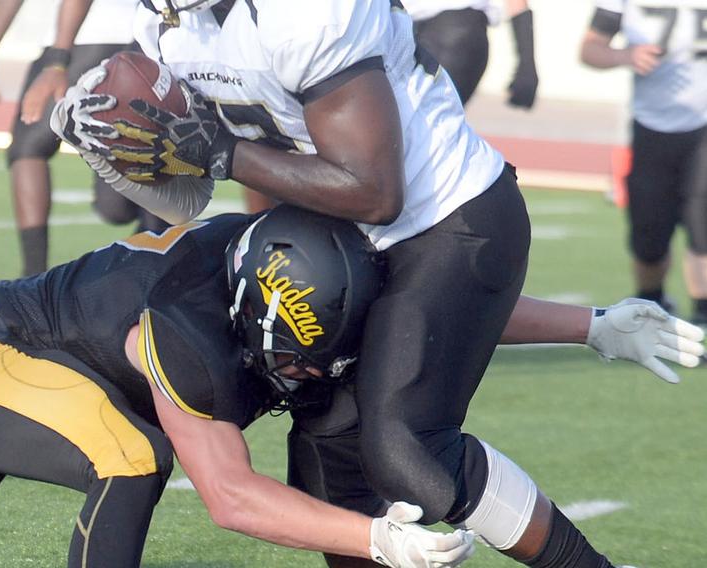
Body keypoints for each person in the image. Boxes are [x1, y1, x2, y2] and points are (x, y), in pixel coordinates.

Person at [49, 1, 704, 565]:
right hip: (334, 231)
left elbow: (375, 191)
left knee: (406, 450)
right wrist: (115, 136)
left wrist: (217, 153)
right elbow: (180, 188)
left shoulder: (304, 14)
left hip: (448, 216)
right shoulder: (166, 19)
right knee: (331, 480)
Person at [0, 205, 478, 568]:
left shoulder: (269, 269)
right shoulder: (188, 328)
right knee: (132, 457)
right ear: (255, 312)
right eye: (306, 354)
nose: (316, 371)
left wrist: (581, 326)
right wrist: (378, 539)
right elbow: (231, 498)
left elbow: (424, 310)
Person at [0, 0, 167, 276]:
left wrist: (56, 60)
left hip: (94, 41)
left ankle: (33, 277)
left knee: (29, 148)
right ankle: (35, 275)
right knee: (116, 203)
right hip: (139, 41)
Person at [579, 1, 707, 323]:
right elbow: (590, 49)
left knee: (702, 222)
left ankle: (704, 315)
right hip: (650, 125)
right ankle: (652, 304)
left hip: (703, 123)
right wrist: (625, 55)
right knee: (648, 236)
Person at [405, 0, 538, 107]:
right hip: (440, 30)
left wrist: (527, 63)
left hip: (452, 31)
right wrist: (527, 61)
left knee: (425, 124)